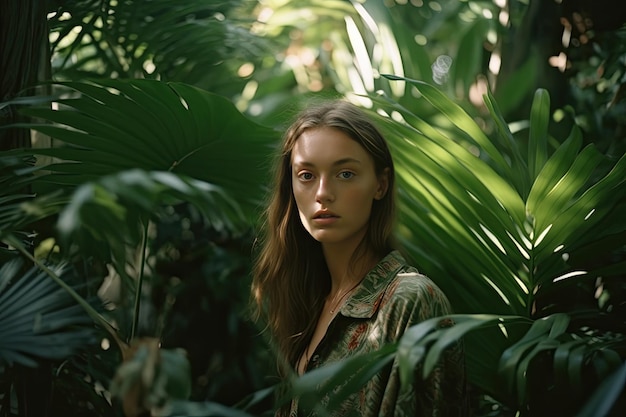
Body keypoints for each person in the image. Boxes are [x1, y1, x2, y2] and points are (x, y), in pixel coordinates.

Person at [251, 99, 466, 417]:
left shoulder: (410, 301)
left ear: (380, 184)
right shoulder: (307, 301)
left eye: (346, 173)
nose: (323, 192)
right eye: (307, 175)